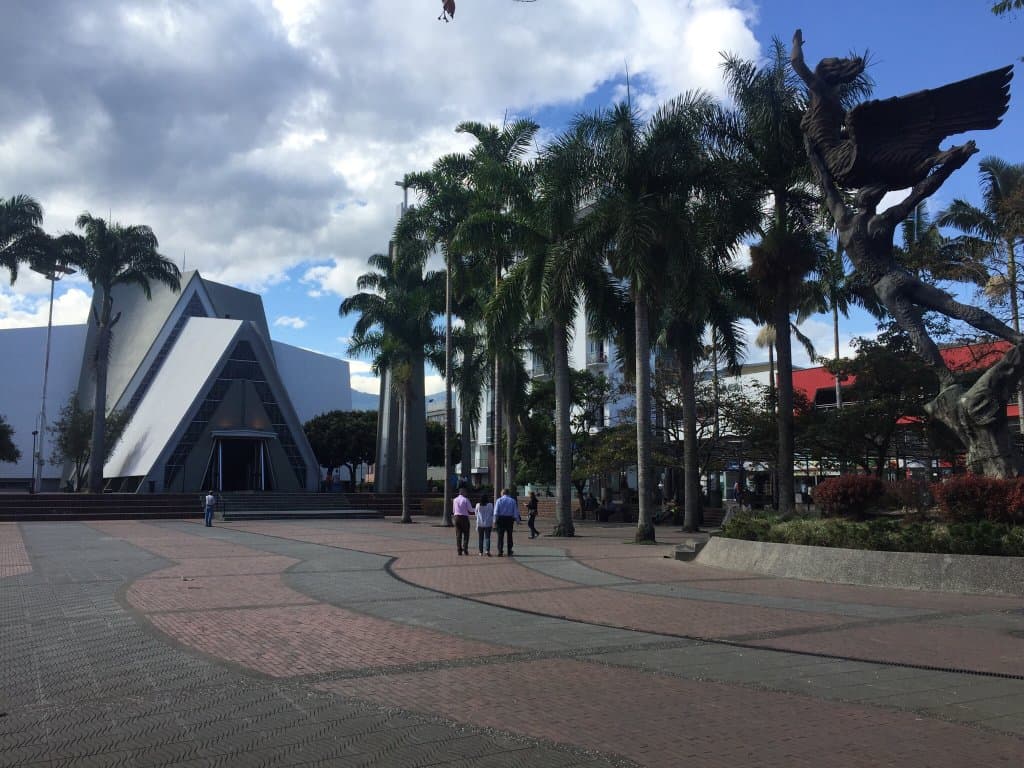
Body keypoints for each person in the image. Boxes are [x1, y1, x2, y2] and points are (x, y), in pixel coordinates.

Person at [493, 487, 520, 557]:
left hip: (501, 519)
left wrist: (494, 521)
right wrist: (517, 520)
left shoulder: (499, 500)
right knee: (510, 535)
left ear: (503, 493)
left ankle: (500, 551)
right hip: (509, 519)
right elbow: (515, 512)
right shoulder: (512, 501)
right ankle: (509, 550)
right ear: (508, 493)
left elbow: (496, 512)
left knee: (500, 536)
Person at [452, 485, 472, 555]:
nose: (466, 493)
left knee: (458, 535)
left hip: (457, 517)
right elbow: (470, 509)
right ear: (463, 492)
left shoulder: (455, 500)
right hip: (464, 517)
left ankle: (459, 550)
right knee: (466, 534)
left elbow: (453, 510)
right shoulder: (466, 499)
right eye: (465, 492)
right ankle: (465, 549)